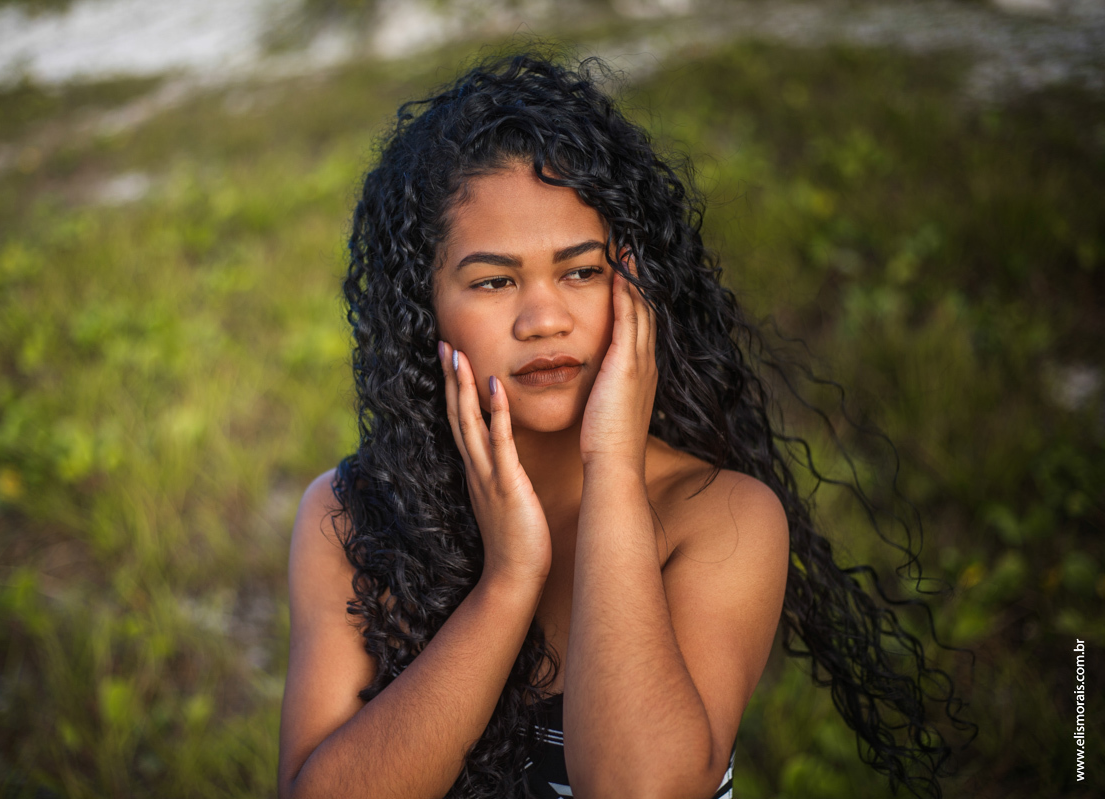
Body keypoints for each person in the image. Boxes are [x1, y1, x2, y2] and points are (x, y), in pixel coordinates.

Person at [276, 51, 975, 799]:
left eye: (581, 271)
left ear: (637, 288)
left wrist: (611, 466)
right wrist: (508, 581)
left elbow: (639, 788)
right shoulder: (350, 518)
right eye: (493, 281)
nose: (545, 318)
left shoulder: (718, 518)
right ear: (423, 312)